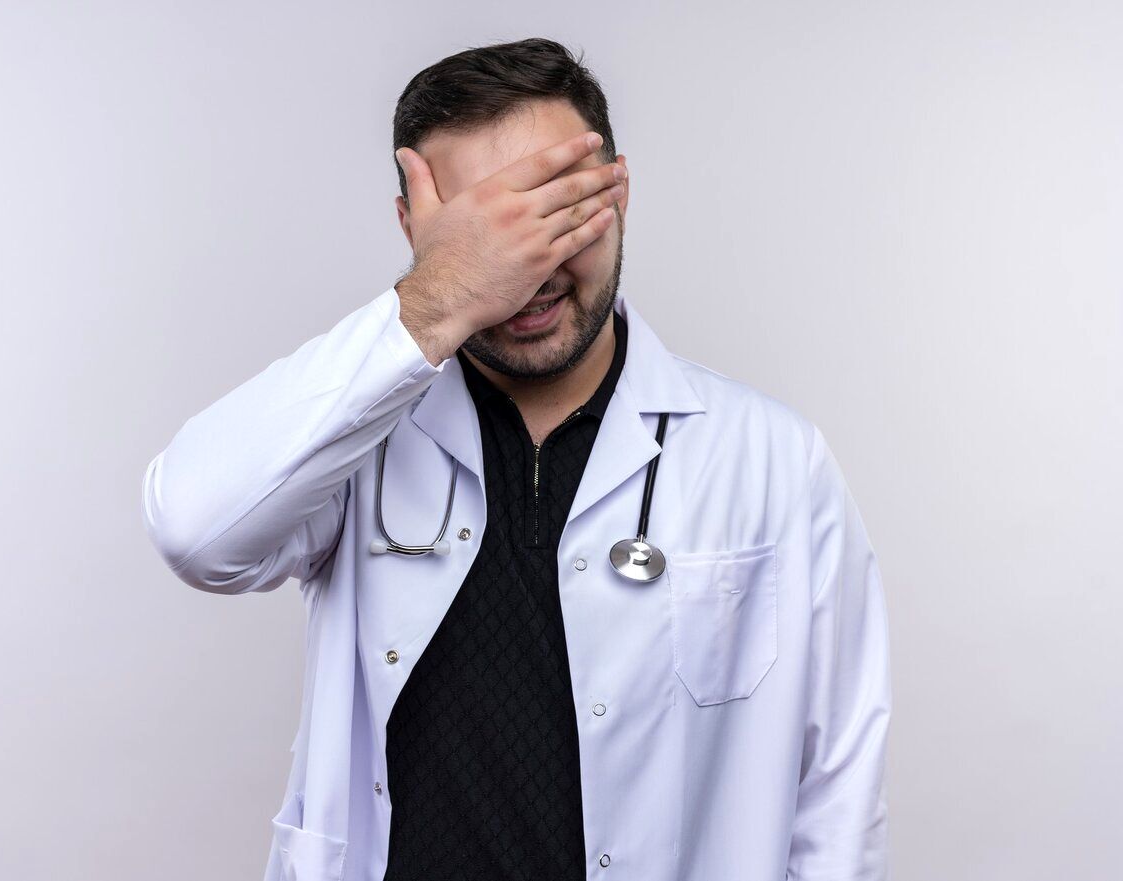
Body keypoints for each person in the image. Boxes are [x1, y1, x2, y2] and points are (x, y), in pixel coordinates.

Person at [141, 37, 890, 881]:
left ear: (619, 193)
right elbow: (195, 529)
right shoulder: (354, 439)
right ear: (414, 230)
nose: (525, 270)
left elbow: (839, 794)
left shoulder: (772, 460)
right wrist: (438, 298)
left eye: (557, 211)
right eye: (483, 232)